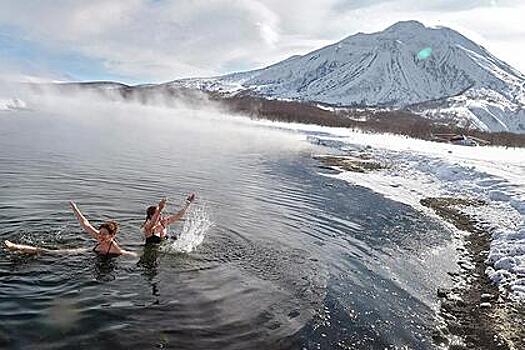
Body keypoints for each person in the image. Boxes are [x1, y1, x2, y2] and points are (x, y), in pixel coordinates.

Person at [4, 201, 136, 257]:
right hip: (85, 252)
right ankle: (16, 247)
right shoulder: (98, 237)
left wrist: (138, 256)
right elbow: (85, 224)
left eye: (104, 234)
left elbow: (126, 253)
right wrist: (74, 208)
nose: (100, 236)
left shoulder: (113, 248)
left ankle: (18, 248)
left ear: (111, 236)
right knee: (50, 252)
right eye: (100, 232)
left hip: (95, 258)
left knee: (48, 253)